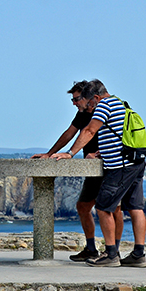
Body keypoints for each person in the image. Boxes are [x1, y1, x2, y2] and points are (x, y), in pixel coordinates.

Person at [49, 80, 146, 268]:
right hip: (136, 161)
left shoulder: (104, 105)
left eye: (90, 102)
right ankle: (138, 254)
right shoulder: (121, 103)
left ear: (95, 97)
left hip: (120, 166)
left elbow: (90, 130)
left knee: (103, 207)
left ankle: (111, 255)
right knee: (135, 207)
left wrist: (70, 153)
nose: (90, 107)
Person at [31, 81, 123, 262]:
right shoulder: (81, 114)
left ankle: (114, 251)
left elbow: (111, 134)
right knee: (83, 207)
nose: (74, 103)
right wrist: (50, 154)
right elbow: (69, 133)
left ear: (88, 98)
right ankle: (91, 249)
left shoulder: (103, 110)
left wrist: (77, 154)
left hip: (110, 165)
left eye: (76, 99)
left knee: (115, 209)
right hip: (91, 168)